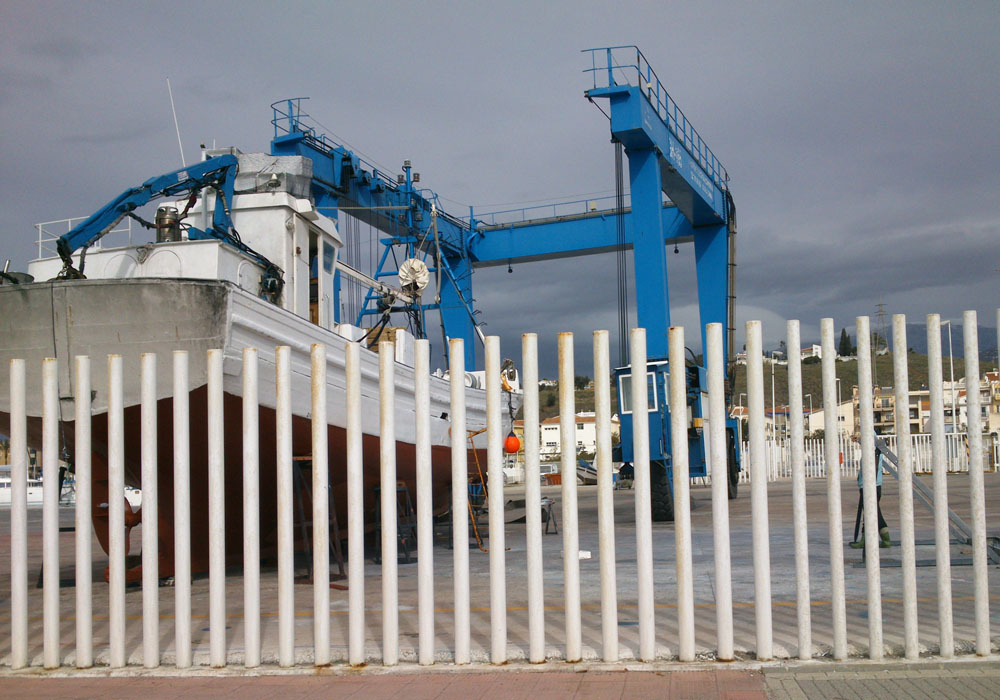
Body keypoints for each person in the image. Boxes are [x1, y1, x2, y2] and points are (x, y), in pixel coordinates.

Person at [850, 442, 890, 548]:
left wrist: (867, 484)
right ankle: (886, 539)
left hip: (871, 486)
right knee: (874, 513)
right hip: (871, 485)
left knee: (870, 513)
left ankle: (866, 539)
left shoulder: (872, 451)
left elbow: (873, 467)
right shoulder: (872, 451)